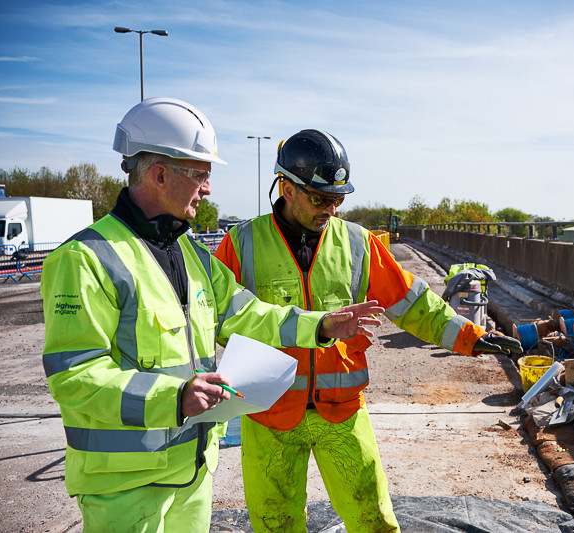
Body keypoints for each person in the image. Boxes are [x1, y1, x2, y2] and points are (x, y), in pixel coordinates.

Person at [40, 99, 383, 533]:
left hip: (192, 473)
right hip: (125, 485)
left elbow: (248, 315)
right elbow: (74, 376)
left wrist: (321, 325)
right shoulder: (86, 259)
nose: (207, 188)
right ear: (160, 174)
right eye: (200, 174)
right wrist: (173, 398)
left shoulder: (192, 256)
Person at [214, 129, 523, 532]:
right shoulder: (241, 243)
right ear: (287, 189)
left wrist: (471, 336)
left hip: (342, 411)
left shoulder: (357, 243)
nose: (331, 209)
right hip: (269, 415)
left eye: (338, 199)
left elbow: (412, 302)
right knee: (276, 524)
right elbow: (219, 320)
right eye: (320, 198)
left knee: (373, 520)